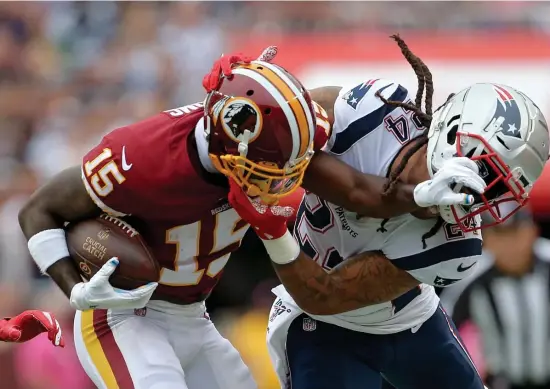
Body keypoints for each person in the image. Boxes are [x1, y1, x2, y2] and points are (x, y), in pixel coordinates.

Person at [18, 46, 483, 389]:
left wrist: (417, 193)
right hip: (122, 317)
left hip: (191, 317)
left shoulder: (268, 142)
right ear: (228, 146)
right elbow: (39, 210)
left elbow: (355, 188)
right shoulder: (143, 156)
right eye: (272, 171)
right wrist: (74, 288)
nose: (286, 183)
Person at [226, 36, 550, 389]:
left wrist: (275, 232)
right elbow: (318, 296)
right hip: (324, 325)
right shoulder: (374, 113)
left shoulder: (460, 246)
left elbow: (331, 283)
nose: (486, 195)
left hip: (408, 320)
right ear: (454, 129)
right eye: (487, 173)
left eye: (500, 189)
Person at [441, 210, 550, 389]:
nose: (510, 245)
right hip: (502, 382)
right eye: (500, 236)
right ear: (486, 242)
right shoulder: (471, 277)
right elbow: (445, 329)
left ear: (532, 232)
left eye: (516, 233)